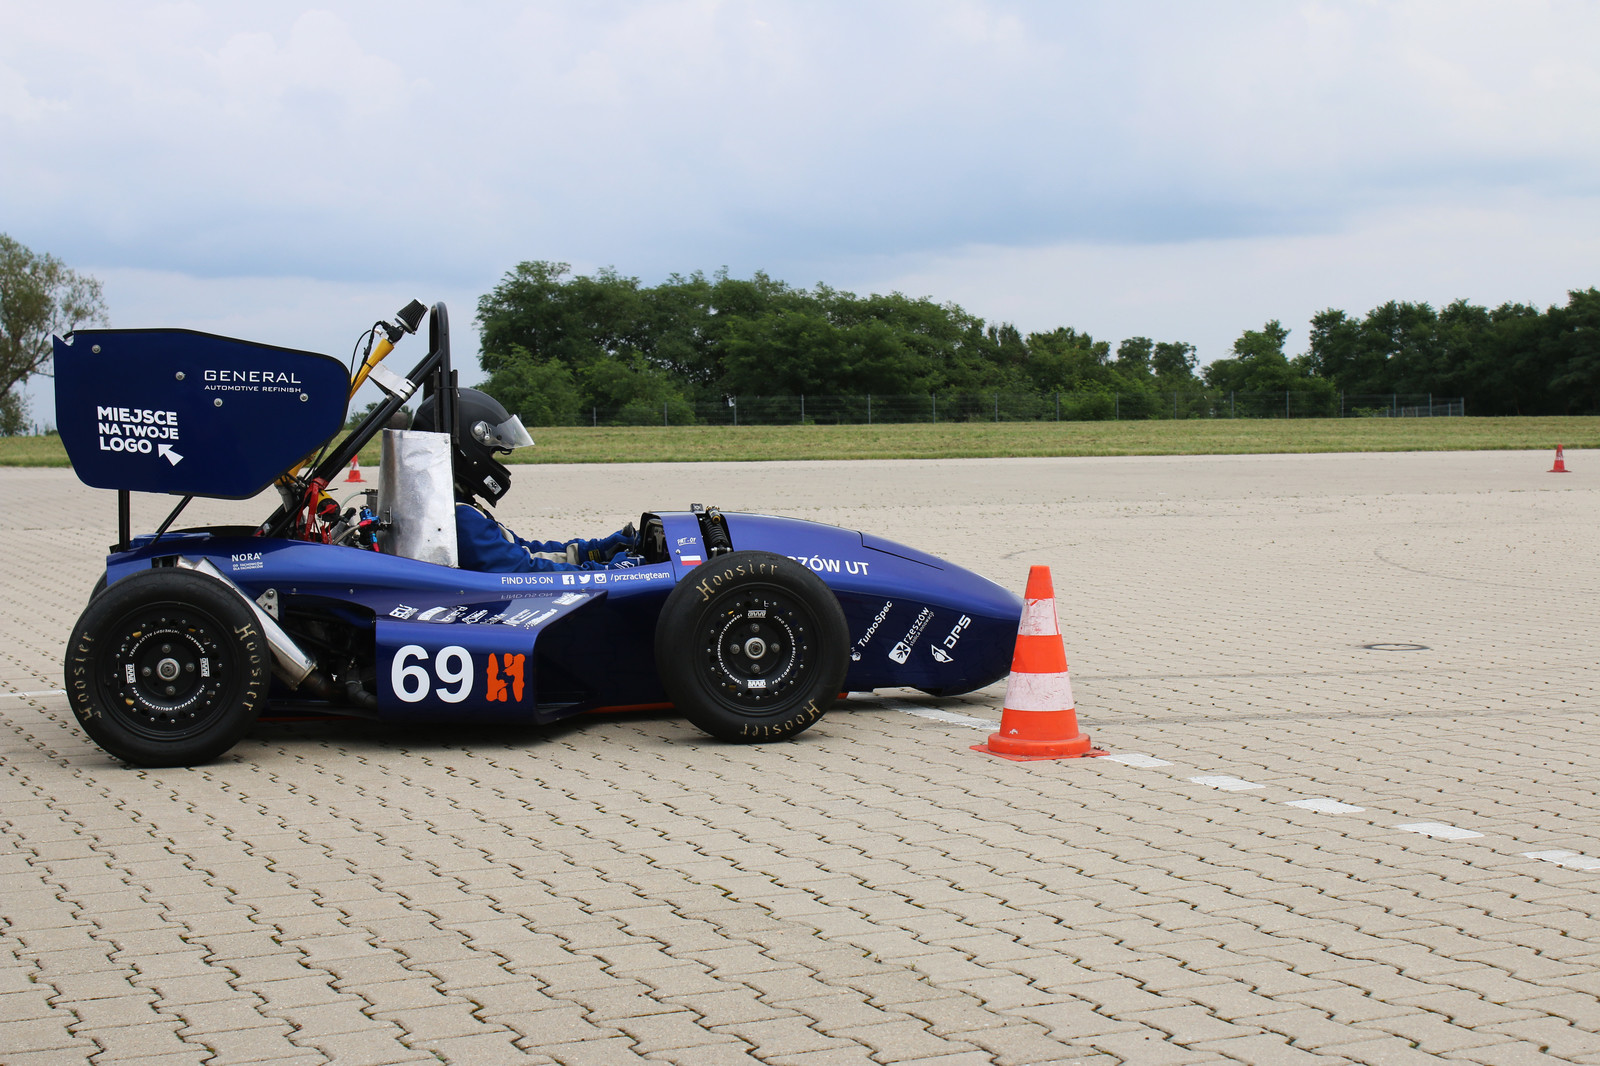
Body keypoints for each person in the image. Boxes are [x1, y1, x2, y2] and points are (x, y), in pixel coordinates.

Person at [410, 388, 638, 573]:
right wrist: (606, 572)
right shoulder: (458, 518)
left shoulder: (451, 506)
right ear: (467, 452)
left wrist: (595, 551)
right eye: (493, 453)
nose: (495, 463)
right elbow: (522, 570)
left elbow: (522, 551)